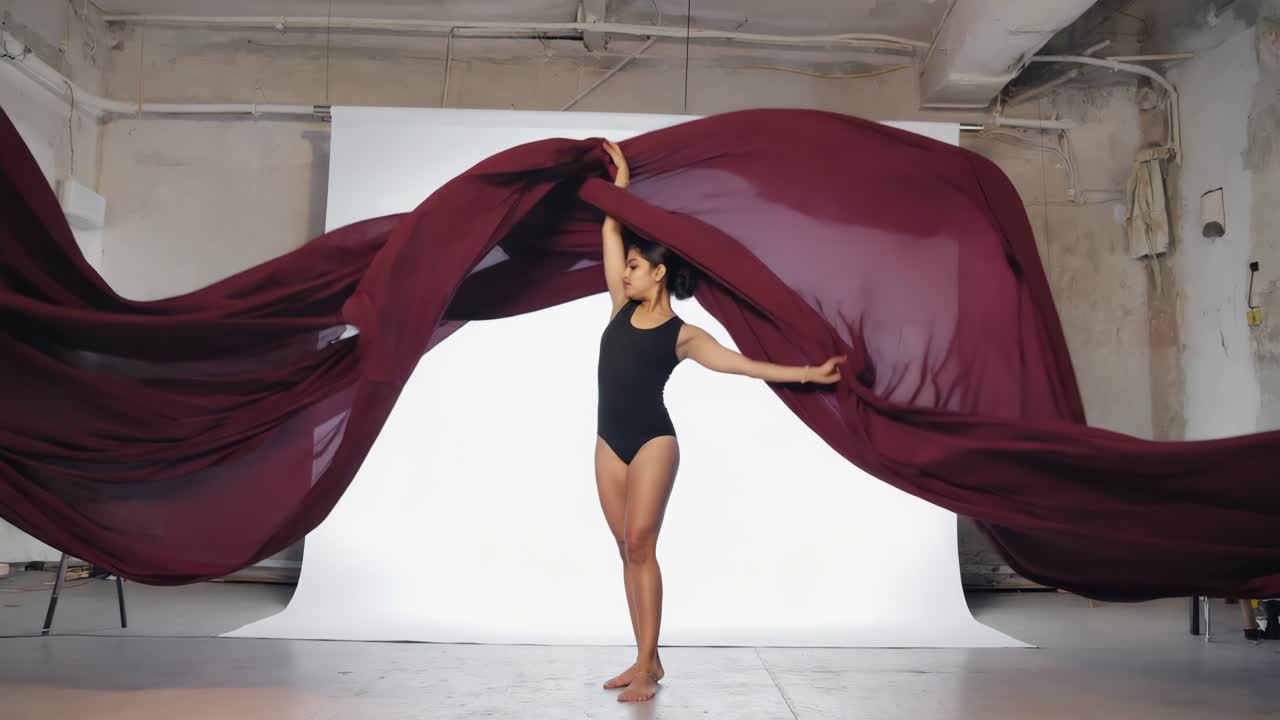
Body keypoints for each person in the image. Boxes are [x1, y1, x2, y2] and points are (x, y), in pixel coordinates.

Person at [595, 140, 846, 703]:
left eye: (635, 267)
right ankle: (648, 659)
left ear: (658, 274)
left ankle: (643, 663)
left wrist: (807, 373)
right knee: (625, 549)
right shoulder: (618, 305)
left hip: (653, 442)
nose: (625, 273)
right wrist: (623, 182)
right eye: (627, 267)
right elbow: (612, 232)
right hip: (607, 443)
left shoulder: (683, 335)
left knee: (642, 543)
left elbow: (742, 365)